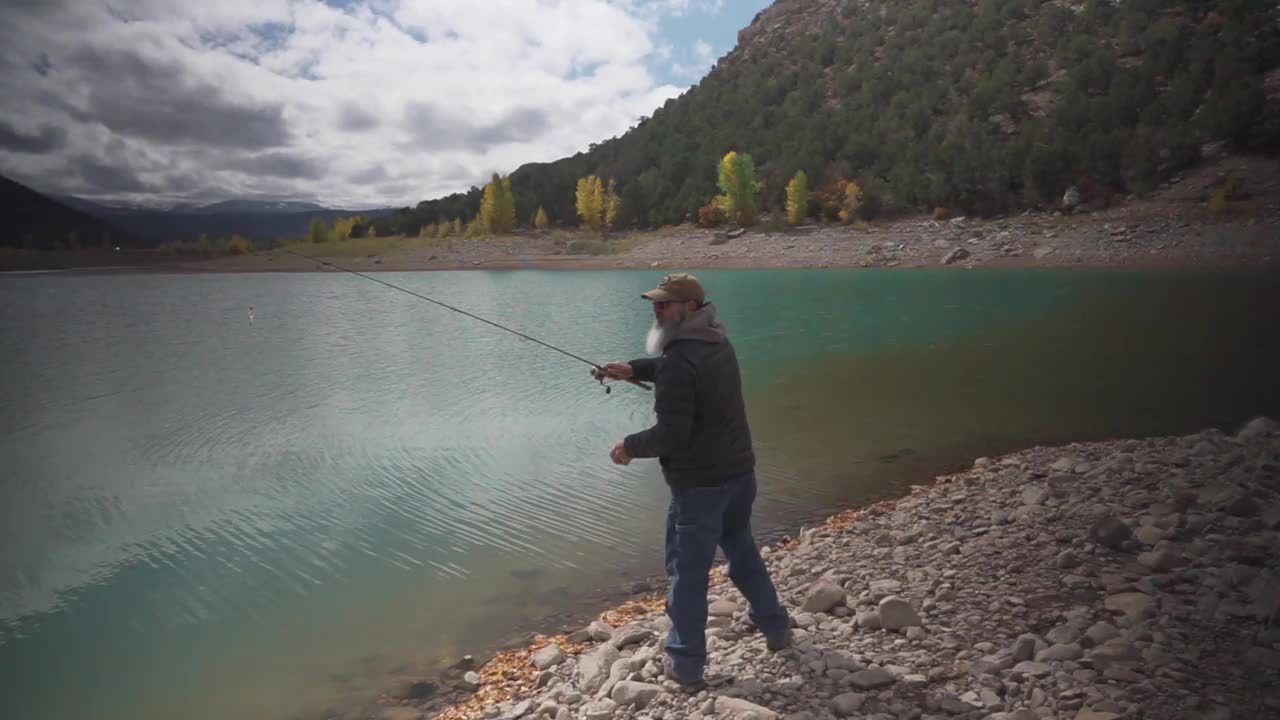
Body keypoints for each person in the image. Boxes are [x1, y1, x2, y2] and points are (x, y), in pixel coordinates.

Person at [605, 272, 792, 692]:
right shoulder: (716, 341)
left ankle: (686, 665)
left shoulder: (678, 362)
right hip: (740, 475)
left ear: (688, 307)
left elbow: (672, 433)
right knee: (742, 552)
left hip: (700, 488)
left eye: (665, 304)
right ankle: (776, 626)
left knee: (687, 573)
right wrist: (633, 369)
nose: (657, 309)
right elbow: (679, 370)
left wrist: (629, 446)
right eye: (655, 303)